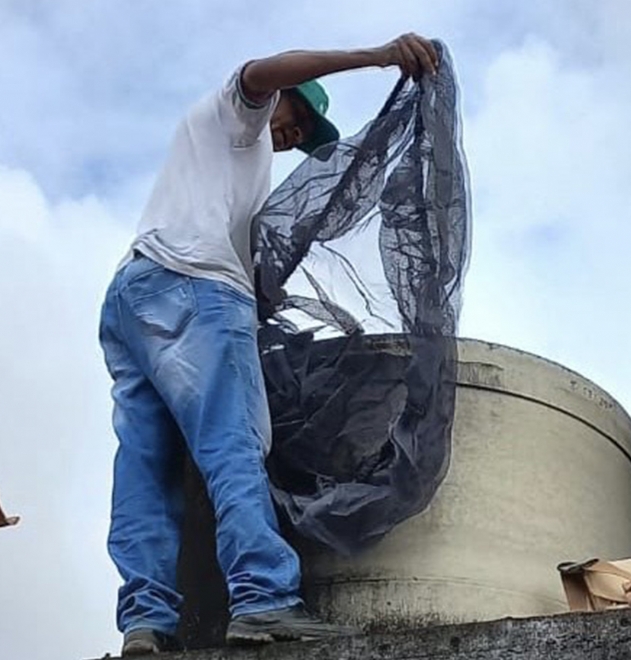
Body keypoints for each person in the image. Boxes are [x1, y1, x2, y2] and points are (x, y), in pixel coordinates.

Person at [99, 33, 441, 655]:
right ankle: (263, 598)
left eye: (304, 132)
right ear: (277, 100)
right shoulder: (239, 117)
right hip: (193, 287)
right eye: (299, 116)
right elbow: (265, 71)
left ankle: (145, 621)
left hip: (133, 293)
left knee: (145, 462)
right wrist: (378, 57)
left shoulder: (228, 171)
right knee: (231, 442)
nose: (294, 134)